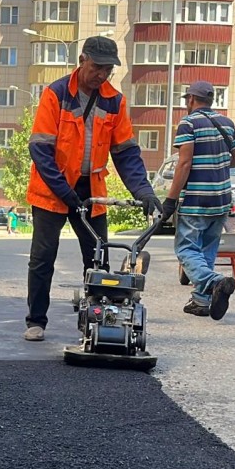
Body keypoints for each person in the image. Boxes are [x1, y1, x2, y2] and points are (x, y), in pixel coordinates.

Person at [22, 36, 161, 342]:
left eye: (108, 69)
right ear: (82, 60)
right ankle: (36, 321)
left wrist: (144, 191)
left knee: (98, 256)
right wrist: (63, 191)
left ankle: (102, 322)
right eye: (97, 66)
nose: (101, 74)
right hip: (52, 188)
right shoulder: (56, 94)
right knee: (43, 257)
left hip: (90, 189)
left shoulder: (114, 101)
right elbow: (40, 149)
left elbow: (126, 153)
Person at [162, 81, 235, 320]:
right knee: (207, 250)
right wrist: (215, 165)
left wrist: (171, 199)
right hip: (221, 200)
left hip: (197, 199)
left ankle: (215, 281)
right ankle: (201, 301)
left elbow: (184, 163)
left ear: (190, 99)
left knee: (186, 248)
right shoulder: (228, 124)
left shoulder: (188, 124)